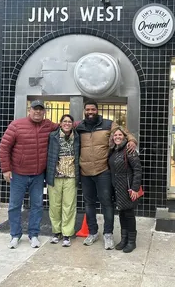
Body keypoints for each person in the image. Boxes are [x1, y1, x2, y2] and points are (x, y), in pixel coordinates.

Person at [76, 99, 137, 250]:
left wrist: (131, 140)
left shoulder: (108, 124)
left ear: (97, 110)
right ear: (85, 111)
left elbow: (123, 132)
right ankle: (92, 232)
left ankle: (108, 234)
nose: (90, 112)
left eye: (93, 109)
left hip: (103, 171)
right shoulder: (80, 127)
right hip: (85, 172)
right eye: (88, 110)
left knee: (106, 204)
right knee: (89, 204)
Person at [0, 100, 58, 249]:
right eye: (35, 109)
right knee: (14, 206)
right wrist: (6, 169)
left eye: (40, 110)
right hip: (18, 174)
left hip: (38, 175)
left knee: (37, 206)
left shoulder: (48, 125)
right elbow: (4, 147)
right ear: (29, 110)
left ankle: (34, 235)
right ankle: (15, 235)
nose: (37, 112)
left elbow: (65, 126)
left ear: (44, 112)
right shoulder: (16, 125)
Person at [46, 114, 80, 247]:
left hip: (71, 176)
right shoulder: (52, 136)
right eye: (64, 121)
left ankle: (66, 234)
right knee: (54, 206)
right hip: (54, 176)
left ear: (73, 124)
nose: (67, 124)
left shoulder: (77, 137)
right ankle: (56, 232)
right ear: (60, 123)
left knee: (69, 206)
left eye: (69, 122)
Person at [108, 127, 142, 253]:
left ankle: (132, 242)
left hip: (128, 188)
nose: (117, 137)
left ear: (124, 137)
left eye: (120, 135)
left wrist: (134, 188)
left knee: (129, 214)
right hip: (117, 188)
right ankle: (124, 239)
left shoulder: (129, 149)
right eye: (115, 135)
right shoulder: (113, 150)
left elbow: (137, 170)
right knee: (122, 213)